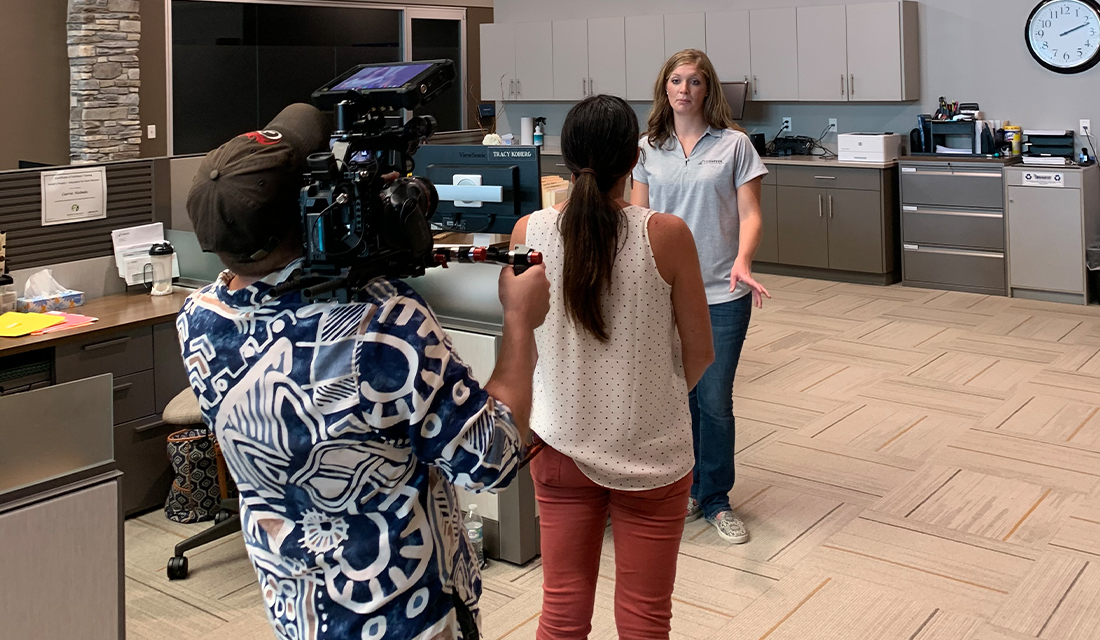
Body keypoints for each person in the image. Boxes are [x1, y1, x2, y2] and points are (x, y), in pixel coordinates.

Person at [176, 103, 550, 640]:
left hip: (298, 608)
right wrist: (519, 321)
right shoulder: (382, 326)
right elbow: (491, 458)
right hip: (405, 612)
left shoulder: (199, 319)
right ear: (310, 210)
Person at [511, 95, 714, 640]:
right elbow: (700, 352)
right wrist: (654, 399)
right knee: (646, 618)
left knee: (561, 613)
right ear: (634, 158)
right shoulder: (666, 234)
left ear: (565, 158)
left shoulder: (528, 232)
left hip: (560, 442)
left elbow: (524, 342)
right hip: (653, 451)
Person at [631, 49, 770, 544]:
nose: (684, 90)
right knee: (676, 398)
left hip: (722, 291)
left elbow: (750, 214)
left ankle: (715, 499)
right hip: (664, 294)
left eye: (694, 81)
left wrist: (743, 259)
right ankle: (685, 488)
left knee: (714, 401)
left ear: (708, 89)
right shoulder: (647, 148)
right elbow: (640, 220)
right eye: (676, 80)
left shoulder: (734, 145)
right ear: (664, 88)